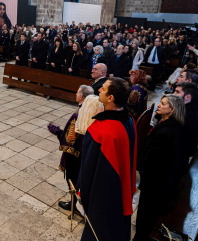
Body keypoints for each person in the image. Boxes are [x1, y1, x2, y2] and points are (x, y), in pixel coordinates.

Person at [78, 77, 136, 241]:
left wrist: (82, 191)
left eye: (103, 89)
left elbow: (88, 167)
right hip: (122, 185)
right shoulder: (129, 119)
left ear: (110, 98)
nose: (99, 91)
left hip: (102, 192)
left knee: (98, 231)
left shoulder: (100, 130)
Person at [135, 95, 186, 241]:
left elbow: (153, 159)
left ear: (172, 109)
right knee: (148, 212)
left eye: (163, 104)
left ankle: (140, 237)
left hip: (155, 181)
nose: (159, 105)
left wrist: (142, 166)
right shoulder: (172, 125)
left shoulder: (166, 132)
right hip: (160, 179)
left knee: (145, 213)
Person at [47, 85, 96, 215]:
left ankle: (73, 204)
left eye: (77, 93)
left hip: (75, 154)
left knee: (72, 178)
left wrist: (57, 132)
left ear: (81, 96)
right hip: (85, 152)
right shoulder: (92, 111)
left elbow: (70, 137)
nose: (75, 94)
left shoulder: (78, 114)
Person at [174, 82, 198, 158]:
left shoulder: (185, 113)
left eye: (177, 92)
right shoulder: (187, 109)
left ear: (187, 97)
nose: (174, 94)